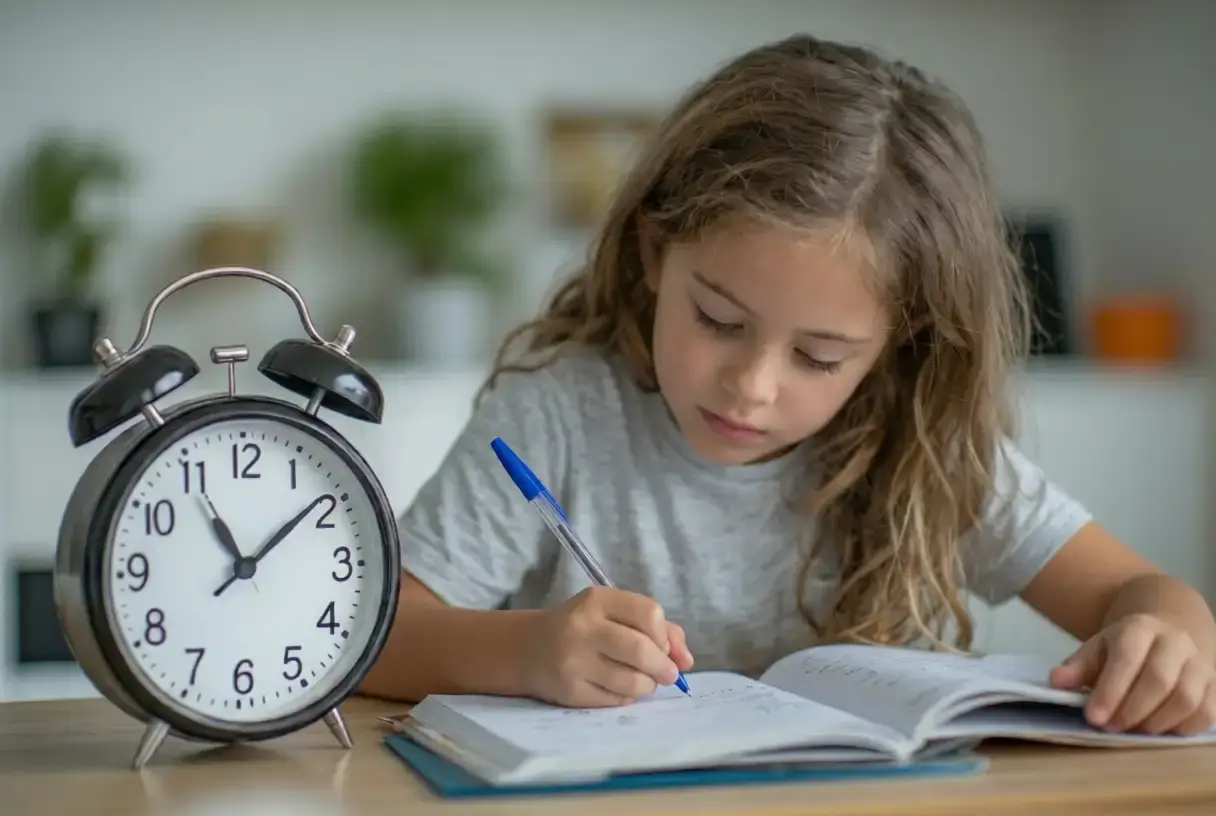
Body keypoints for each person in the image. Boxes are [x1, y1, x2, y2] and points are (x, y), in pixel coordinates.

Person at [360, 34, 1216, 736]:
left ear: (900, 338)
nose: (751, 386)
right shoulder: (561, 416)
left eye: (819, 357)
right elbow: (377, 630)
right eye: (720, 321)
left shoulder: (923, 444)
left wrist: (1168, 639)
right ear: (656, 253)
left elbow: (1145, 596)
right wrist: (525, 653)